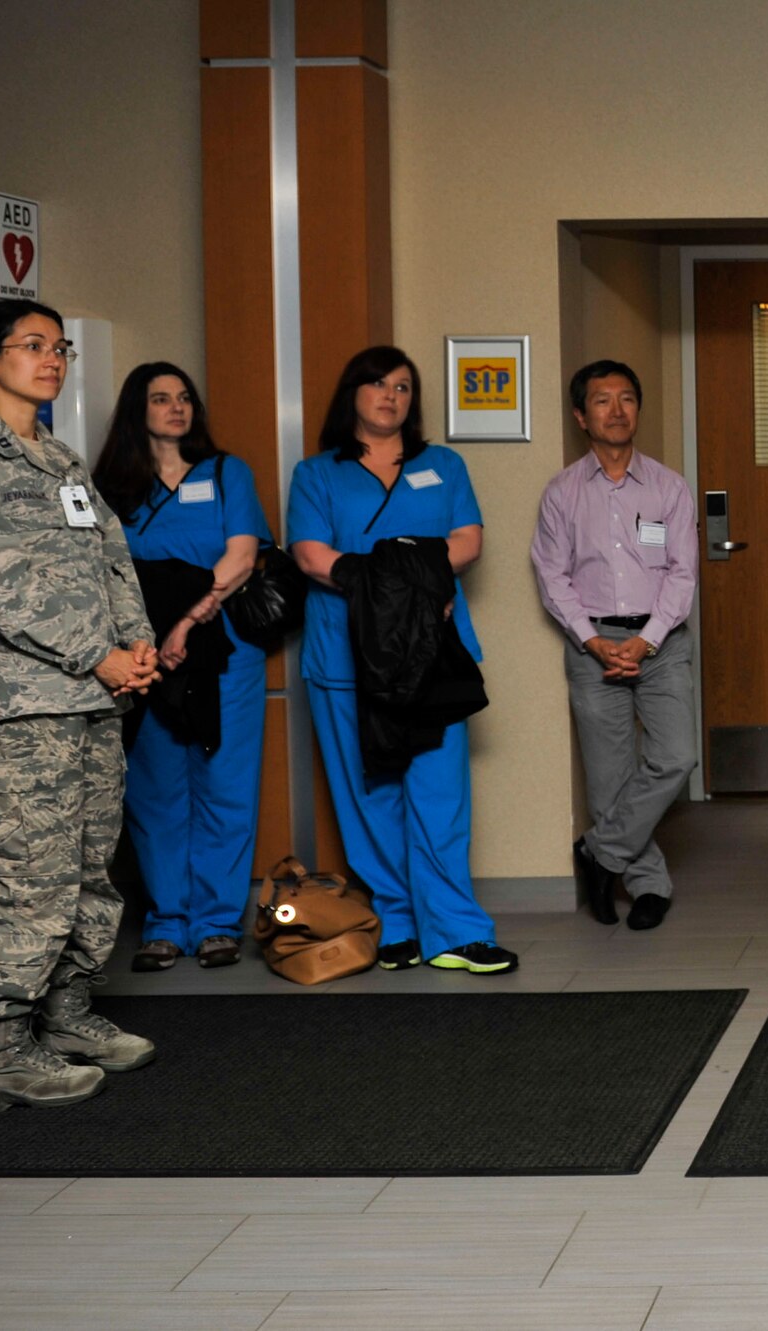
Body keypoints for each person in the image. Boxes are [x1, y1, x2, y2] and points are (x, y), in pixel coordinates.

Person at [0, 299, 161, 1111]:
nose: (52, 358)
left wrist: (135, 650)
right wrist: (95, 653)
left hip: (94, 702)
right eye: (32, 346)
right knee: (27, 880)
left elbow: (112, 561)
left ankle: (65, 1016)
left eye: (59, 347)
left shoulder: (61, 459)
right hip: (22, 711)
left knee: (90, 870)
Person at [288, 346, 517, 975]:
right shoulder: (317, 474)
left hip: (432, 660)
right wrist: (402, 583)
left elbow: (467, 542)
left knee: (439, 799)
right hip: (345, 661)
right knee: (371, 798)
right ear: (352, 395)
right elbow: (309, 555)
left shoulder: (442, 465)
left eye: (404, 387)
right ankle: (399, 925)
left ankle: (458, 932)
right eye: (378, 384)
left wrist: (389, 581)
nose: (391, 396)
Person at [94, 364, 271, 972]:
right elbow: (98, 573)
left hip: (220, 648)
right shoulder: (110, 489)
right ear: (135, 411)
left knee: (224, 782)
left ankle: (218, 921)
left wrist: (188, 623)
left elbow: (243, 556)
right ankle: (167, 920)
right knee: (155, 788)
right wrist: (147, 643)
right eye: (161, 398)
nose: (176, 407)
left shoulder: (227, 473)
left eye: (185, 397)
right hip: (142, 657)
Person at [530, 360, 697, 931]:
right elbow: (553, 576)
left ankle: (600, 854)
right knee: (609, 777)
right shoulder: (562, 494)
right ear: (582, 416)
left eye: (627, 398)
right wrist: (593, 640)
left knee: (675, 758)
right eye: (603, 401)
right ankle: (647, 885)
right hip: (592, 643)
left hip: (663, 641)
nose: (618, 410)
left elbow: (682, 573)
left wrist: (646, 642)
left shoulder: (670, 487)